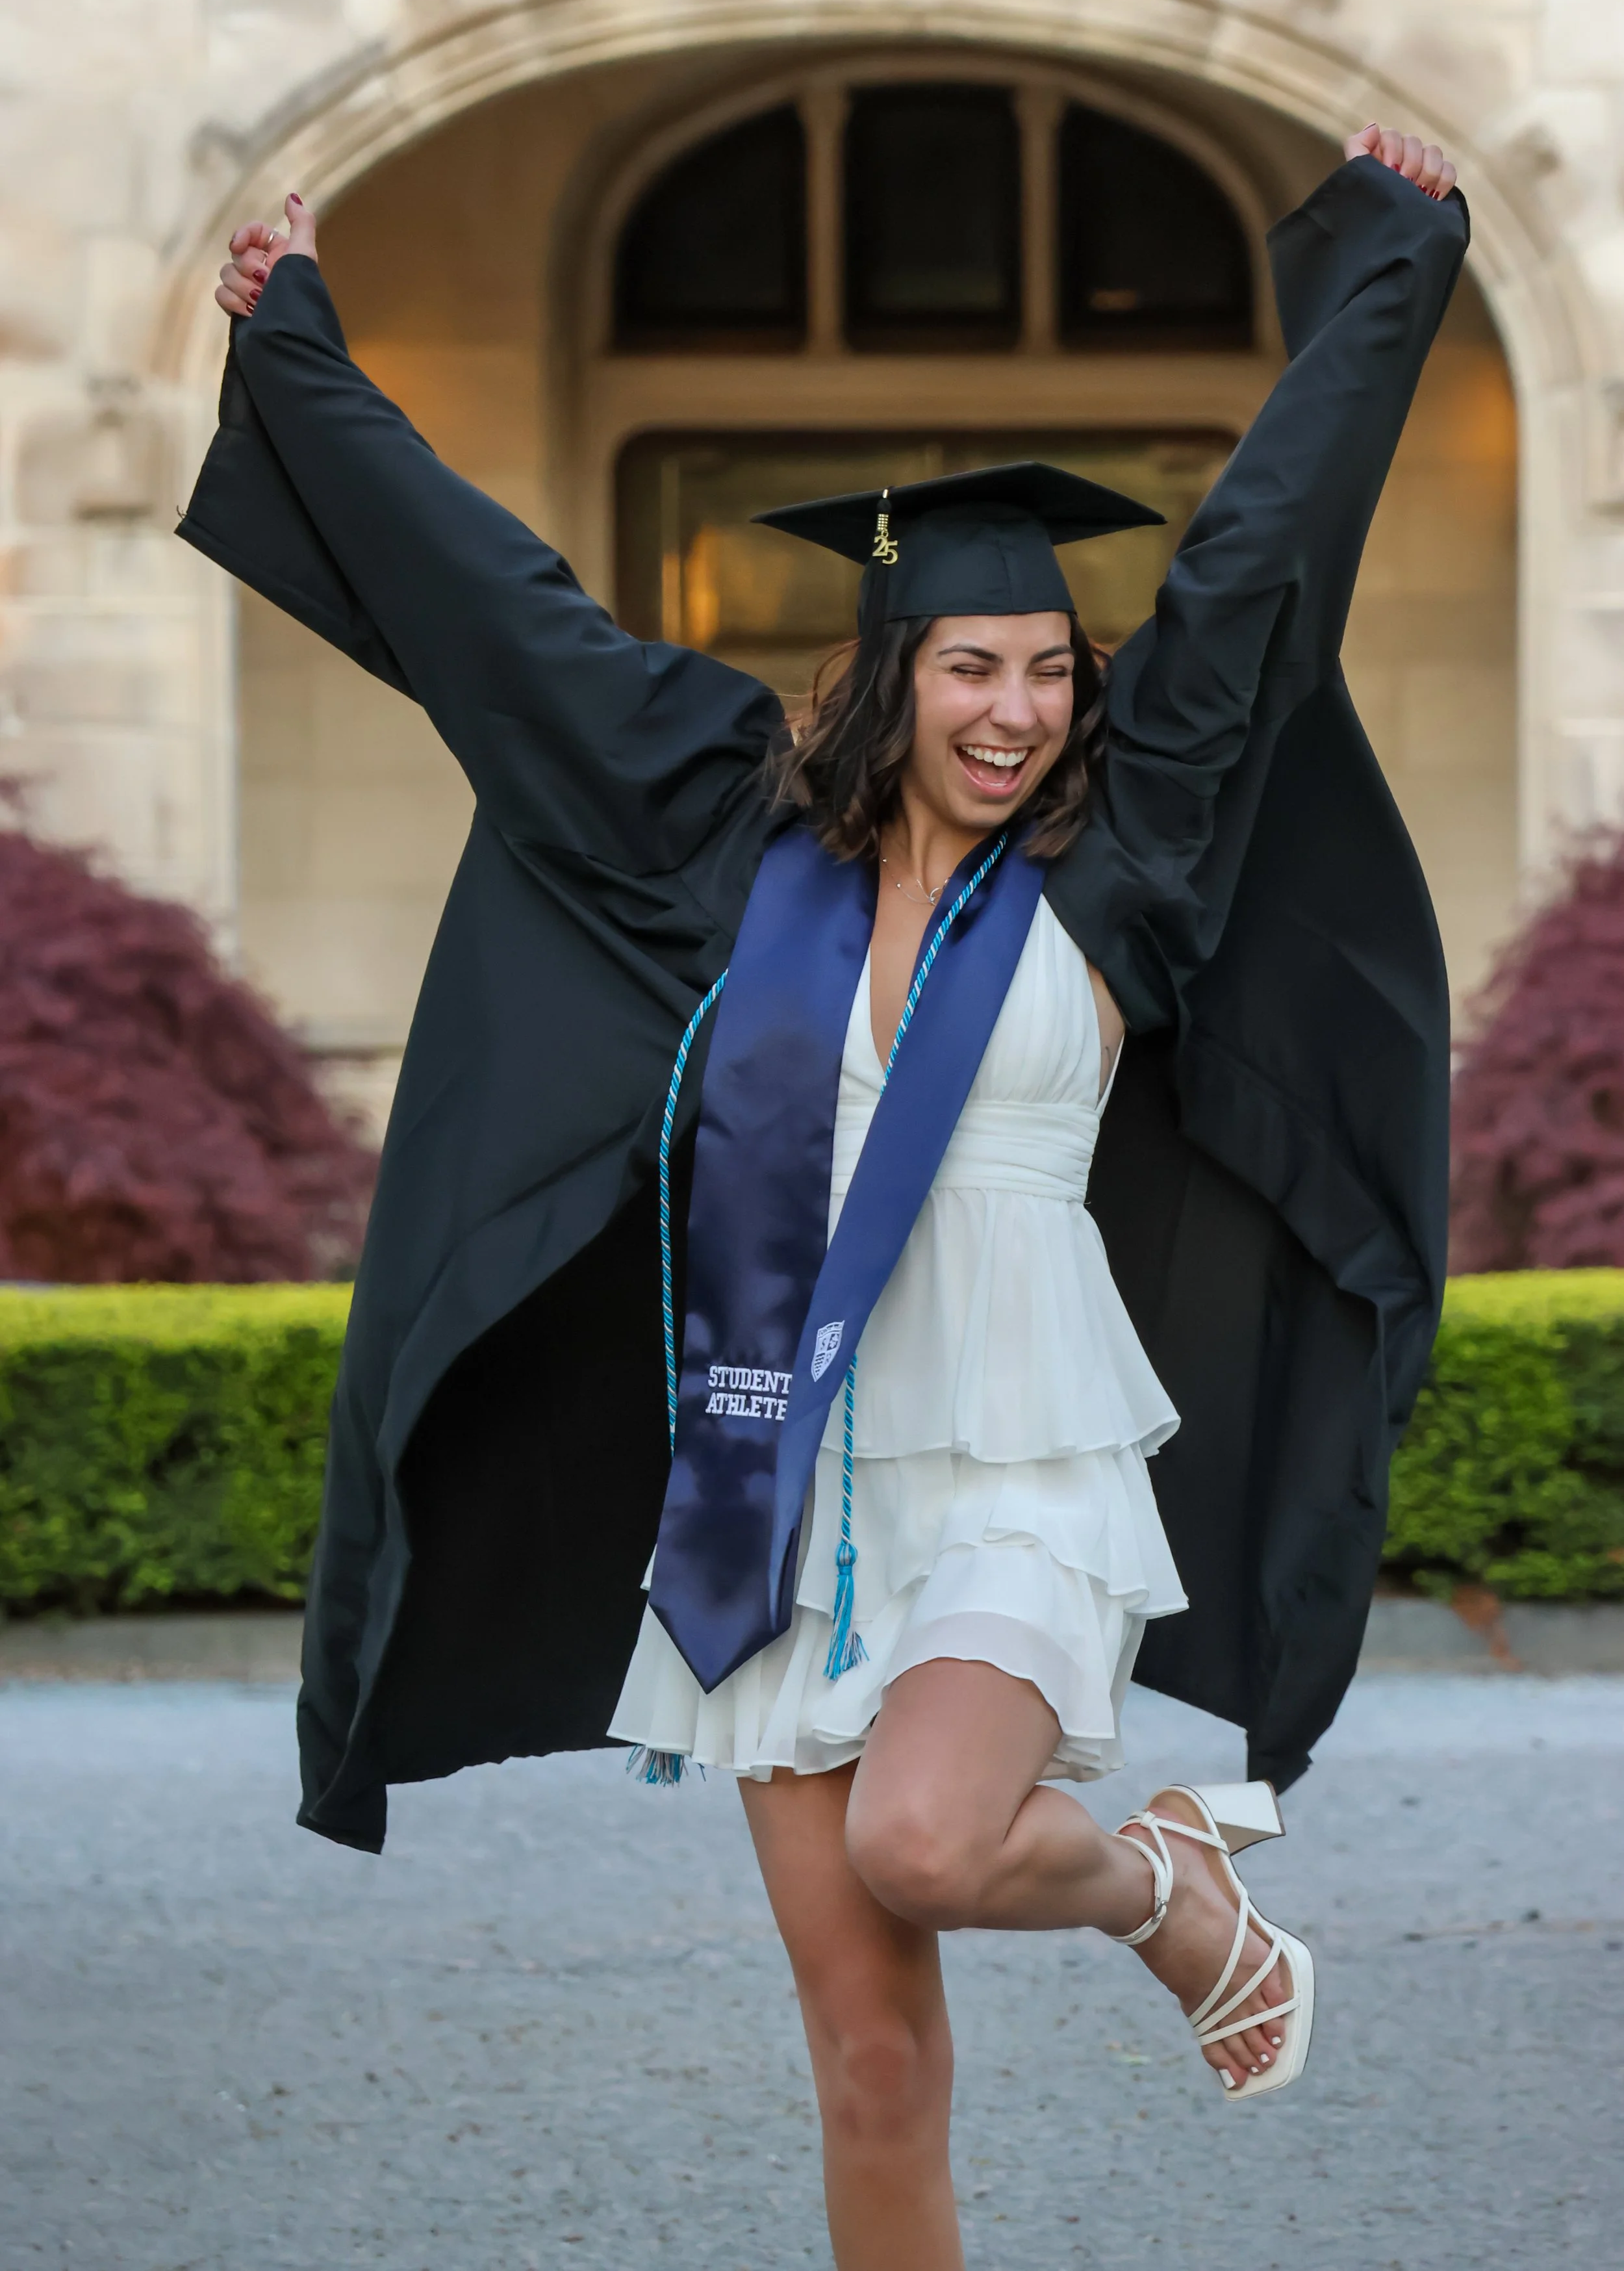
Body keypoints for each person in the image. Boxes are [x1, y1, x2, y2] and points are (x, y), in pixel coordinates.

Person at [187, 120, 1464, 2269]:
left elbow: (1255, 560)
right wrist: (302, 353)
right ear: (889, 671)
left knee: (933, 1837)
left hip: (1026, 1469)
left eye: (1049, 668)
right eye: (973, 666)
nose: (1017, 707)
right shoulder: (729, 851)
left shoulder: (1119, 860)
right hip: (782, 1501)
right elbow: (503, 625)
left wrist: (1394, 262)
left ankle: (1173, 1885)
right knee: (868, 2060)